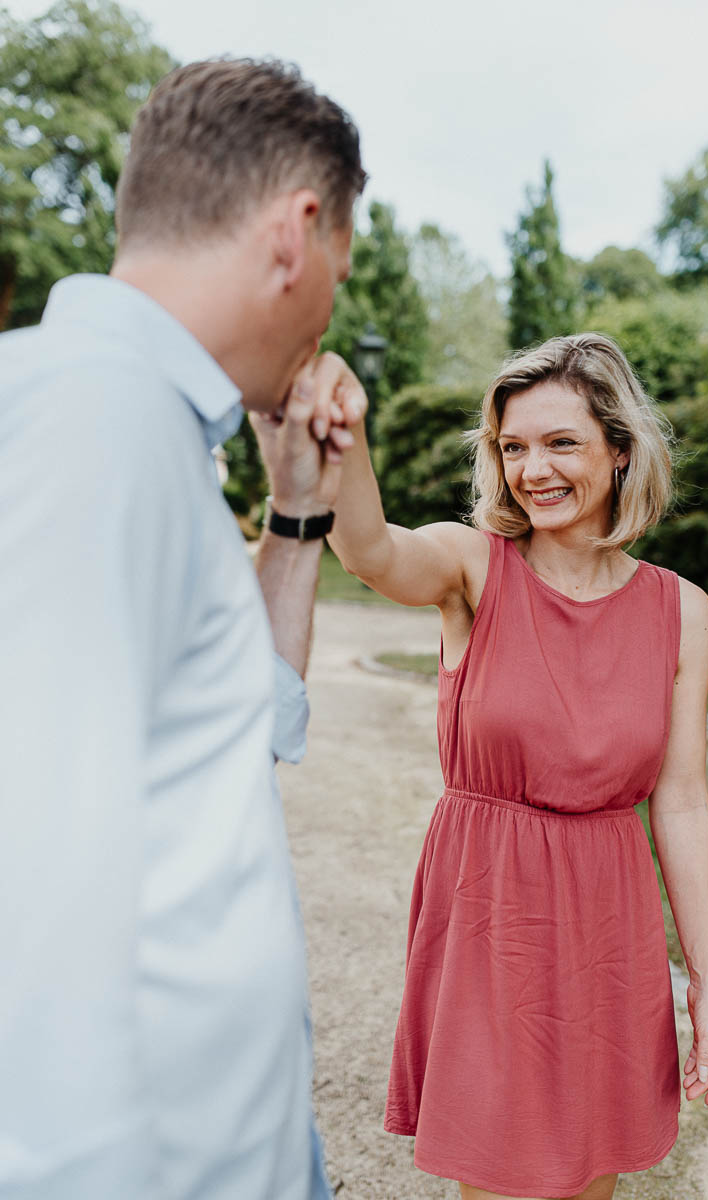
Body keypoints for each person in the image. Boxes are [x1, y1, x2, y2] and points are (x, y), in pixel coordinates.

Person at [0, 59, 366, 1199]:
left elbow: (230, 732)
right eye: (340, 275)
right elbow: (36, 897)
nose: (328, 319)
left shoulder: (143, 430)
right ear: (295, 234)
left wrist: (296, 508)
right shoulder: (92, 428)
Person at [321, 334, 708, 1200]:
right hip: (488, 910)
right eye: (512, 447)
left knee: (591, 1174)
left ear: (619, 451)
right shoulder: (472, 568)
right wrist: (344, 436)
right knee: (502, 1170)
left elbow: (684, 802)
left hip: (606, 924)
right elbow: (369, 552)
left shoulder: (681, 612)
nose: (531, 470)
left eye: (560, 443)